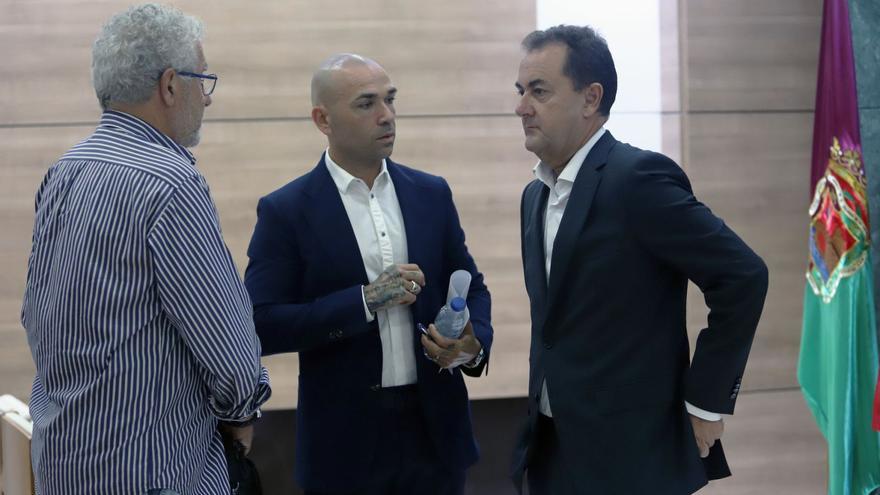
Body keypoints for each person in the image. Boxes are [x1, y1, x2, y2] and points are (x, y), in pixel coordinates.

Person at [20, 4, 270, 494]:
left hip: (62, 464)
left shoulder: (65, 170)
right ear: (171, 85)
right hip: (156, 472)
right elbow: (230, 351)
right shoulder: (171, 183)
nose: (208, 99)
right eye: (204, 79)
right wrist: (242, 414)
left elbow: (37, 315)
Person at [509, 25, 769, 495]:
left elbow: (742, 275)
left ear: (590, 98)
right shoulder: (534, 196)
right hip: (551, 451)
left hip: (631, 459)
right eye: (521, 90)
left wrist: (705, 403)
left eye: (539, 91)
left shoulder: (638, 180)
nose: (521, 106)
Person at [243, 53, 492, 495]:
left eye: (390, 100)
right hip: (343, 446)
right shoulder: (286, 210)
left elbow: (472, 285)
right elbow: (261, 324)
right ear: (323, 119)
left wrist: (473, 345)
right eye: (366, 104)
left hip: (436, 436)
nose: (387, 116)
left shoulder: (431, 193)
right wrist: (364, 301)